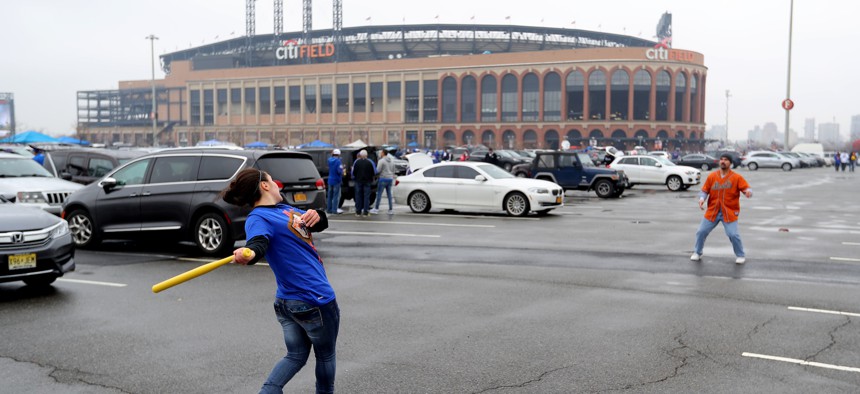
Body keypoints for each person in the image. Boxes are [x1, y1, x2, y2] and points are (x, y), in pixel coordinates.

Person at [221, 168, 339, 394]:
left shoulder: (285, 209)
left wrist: (318, 216)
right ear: (265, 186)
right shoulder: (258, 217)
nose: (276, 183)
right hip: (314, 299)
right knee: (325, 356)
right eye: (271, 180)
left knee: (295, 356)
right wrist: (249, 253)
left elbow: (318, 223)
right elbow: (258, 243)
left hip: (289, 303)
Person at [691, 153, 753, 264]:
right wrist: (701, 199)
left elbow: (746, 188)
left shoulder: (736, 177)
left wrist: (748, 192)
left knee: (733, 234)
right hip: (713, 211)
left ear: (730, 163)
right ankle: (697, 252)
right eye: (721, 159)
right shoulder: (712, 176)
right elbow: (705, 190)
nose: (723, 161)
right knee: (701, 231)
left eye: (726, 160)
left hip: (729, 212)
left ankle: (740, 255)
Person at [351, 149, 376, 217]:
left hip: (358, 181)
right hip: (367, 182)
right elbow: (373, 173)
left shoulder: (357, 162)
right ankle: (365, 212)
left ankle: (358, 211)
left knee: (358, 196)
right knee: (366, 197)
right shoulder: (369, 162)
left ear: (360, 155)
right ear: (367, 155)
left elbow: (354, 173)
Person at [371, 149, 395, 214]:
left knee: (379, 194)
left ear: (383, 153)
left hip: (383, 179)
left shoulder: (381, 161)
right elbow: (393, 170)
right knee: (389, 195)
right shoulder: (391, 161)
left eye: (381, 153)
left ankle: (376, 208)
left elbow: (377, 171)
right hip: (390, 179)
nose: (380, 154)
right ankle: (390, 209)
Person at [326, 149, 345, 214]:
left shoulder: (329, 160)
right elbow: (339, 171)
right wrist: (342, 170)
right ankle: (334, 210)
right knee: (336, 196)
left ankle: (329, 209)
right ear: (339, 154)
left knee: (330, 196)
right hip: (336, 180)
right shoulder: (338, 161)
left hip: (330, 179)